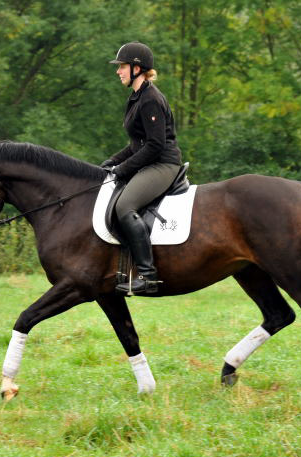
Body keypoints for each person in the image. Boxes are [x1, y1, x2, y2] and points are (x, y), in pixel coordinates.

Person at [101, 41, 183, 295]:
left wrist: (123, 169)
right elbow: (137, 144)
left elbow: (155, 146)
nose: (118, 71)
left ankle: (148, 276)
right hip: (150, 160)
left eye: (122, 66)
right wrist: (112, 162)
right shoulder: (137, 97)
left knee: (125, 206)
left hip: (163, 163)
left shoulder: (150, 99)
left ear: (137, 68)